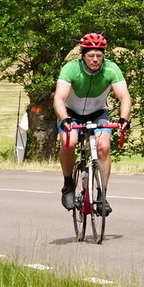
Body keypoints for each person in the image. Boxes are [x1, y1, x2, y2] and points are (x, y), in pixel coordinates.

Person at [54, 33, 131, 213]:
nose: (95, 59)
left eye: (99, 56)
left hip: (98, 113)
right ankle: (68, 184)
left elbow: (124, 97)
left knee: (103, 147)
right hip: (71, 113)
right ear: (83, 56)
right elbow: (59, 98)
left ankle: (102, 195)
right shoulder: (71, 69)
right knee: (70, 142)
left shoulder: (111, 69)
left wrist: (124, 119)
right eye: (91, 56)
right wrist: (64, 118)